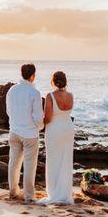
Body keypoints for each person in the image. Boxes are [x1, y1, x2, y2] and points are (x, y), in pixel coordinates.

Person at [5, 63, 44, 202]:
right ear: (33, 76)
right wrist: (39, 127)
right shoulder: (35, 93)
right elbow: (38, 117)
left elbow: (8, 111)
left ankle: (13, 192)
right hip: (29, 134)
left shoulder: (11, 90)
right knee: (29, 165)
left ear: (22, 74)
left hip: (14, 131)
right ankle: (29, 196)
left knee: (14, 163)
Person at [37, 71, 75, 205]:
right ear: (65, 81)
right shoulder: (70, 95)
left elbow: (48, 118)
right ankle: (65, 192)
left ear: (53, 82)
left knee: (54, 160)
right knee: (66, 160)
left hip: (55, 130)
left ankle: (54, 193)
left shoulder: (50, 96)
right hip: (68, 129)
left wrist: (38, 123)